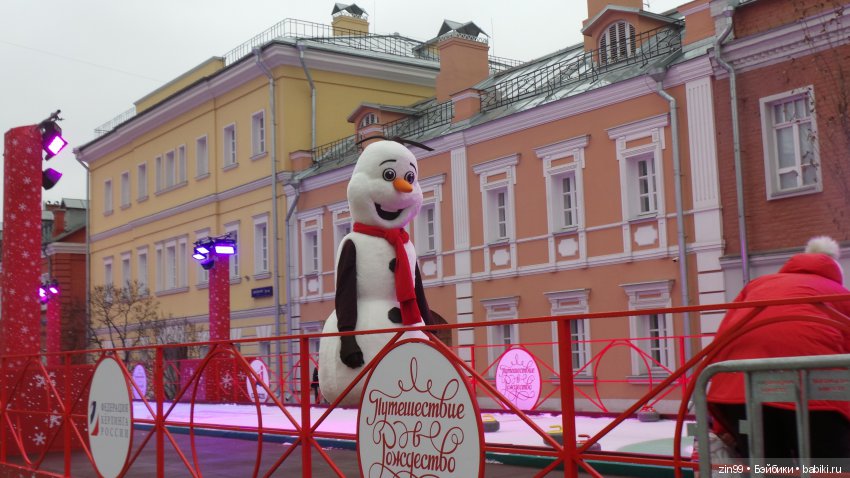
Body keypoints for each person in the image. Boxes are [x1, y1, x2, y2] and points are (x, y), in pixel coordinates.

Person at [707, 236, 850, 459]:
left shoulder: (757, 287)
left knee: (769, 468)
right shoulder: (839, 294)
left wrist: (721, 425)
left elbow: (724, 340)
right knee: (828, 468)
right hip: (816, 394)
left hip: (741, 389)